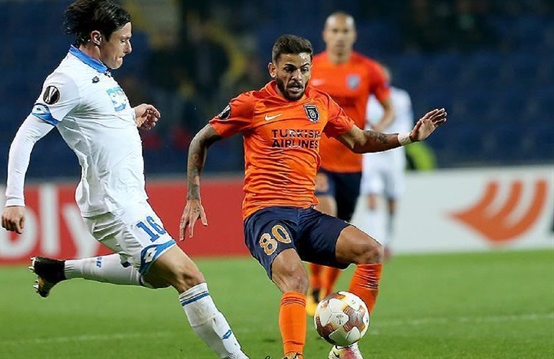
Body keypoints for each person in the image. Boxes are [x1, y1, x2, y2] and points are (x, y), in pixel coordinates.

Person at [0, 1, 247, 358]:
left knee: (158, 276)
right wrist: (13, 199)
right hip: (113, 205)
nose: (130, 47)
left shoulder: (98, 70)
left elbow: (93, 124)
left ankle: (58, 269)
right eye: (124, 39)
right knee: (188, 277)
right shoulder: (67, 79)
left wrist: (130, 116)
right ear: (97, 37)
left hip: (129, 200)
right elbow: (26, 136)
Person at [179, 34, 446, 359]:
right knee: (296, 278)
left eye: (304, 69)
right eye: (289, 69)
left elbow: (359, 141)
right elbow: (200, 140)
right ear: (273, 69)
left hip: (306, 215)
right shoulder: (251, 104)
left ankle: (345, 347)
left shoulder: (319, 103)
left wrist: (408, 137)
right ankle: (293, 357)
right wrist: (194, 195)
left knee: (371, 251)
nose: (297, 77)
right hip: (265, 215)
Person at [307, 11, 395, 317]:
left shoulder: (368, 69)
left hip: (353, 163)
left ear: (353, 36)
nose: (341, 36)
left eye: (346, 31)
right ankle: (315, 282)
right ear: (325, 34)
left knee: (341, 230)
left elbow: (388, 108)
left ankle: (323, 288)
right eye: (335, 31)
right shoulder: (312, 68)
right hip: (318, 160)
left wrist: (377, 133)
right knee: (325, 213)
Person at [361, 64, 414, 260]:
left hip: (392, 153)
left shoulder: (400, 98)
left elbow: (405, 124)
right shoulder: (363, 98)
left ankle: (390, 242)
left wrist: (382, 135)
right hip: (370, 153)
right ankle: (375, 244)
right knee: (372, 197)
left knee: (392, 199)